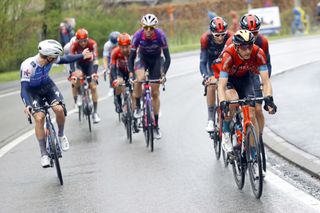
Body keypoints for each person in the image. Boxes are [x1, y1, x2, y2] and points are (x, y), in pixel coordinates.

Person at [20, 39, 92, 167]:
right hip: (32, 92)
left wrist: (82, 55)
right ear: (49, 57)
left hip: (47, 86)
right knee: (40, 118)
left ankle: (61, 135)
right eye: (55, 56)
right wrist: (28, 105)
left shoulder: (50, 59)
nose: (57, 59)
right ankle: (43, 154)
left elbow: (66, 59)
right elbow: (24, 89)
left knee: (58, 109)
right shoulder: (28, 66)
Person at [218, 30, 277, 154]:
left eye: (250, 46)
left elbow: (266, 81)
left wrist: (269, 98)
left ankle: (253, 151)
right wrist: (223, 102)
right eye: (244, 48)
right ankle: (226, 131)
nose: (248, 51)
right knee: (232, 102)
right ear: (236, 47)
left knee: (251, 113)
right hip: (230, 80)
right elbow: (221, 85)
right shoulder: (228, 55)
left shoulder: (258, 53)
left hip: (245, 79)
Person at [128, 13, 171, 139]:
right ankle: (137, 108)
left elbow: (167, 58)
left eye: (151, 28)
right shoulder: (137, 36)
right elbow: (131, 57)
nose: (148, 30)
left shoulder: (161, 36)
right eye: (145, 27)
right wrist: (131, 73)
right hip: (142, 59)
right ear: (142, 27)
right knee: (139, 79)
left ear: (155, 28)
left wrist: (163, 73)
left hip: (156, 60)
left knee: (155, 93)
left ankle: (156, 125)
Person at [238, 14, 272, 142]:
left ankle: (258, 140)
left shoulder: (263, 42)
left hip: (254, 74)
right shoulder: (234, 40)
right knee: (236, 105)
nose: (253, 34)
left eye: (255, 32)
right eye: (249, 31)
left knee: (258, 110)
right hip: (239, 75)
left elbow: (267, 64)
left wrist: (266, 81)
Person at [199, 16, 232, 132]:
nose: (221, 37)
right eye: (217, 35)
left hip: (227, 67)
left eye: (223, 34)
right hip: (212, 68)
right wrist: (206, 76)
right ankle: (211, 119)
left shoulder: (231, 37)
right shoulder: (205, 39)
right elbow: (202, 62)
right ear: (212, 33)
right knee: (211, 85)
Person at [70, 28, 101, 123]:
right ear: (77, 40)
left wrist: (94, 73)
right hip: (79, 65)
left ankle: (95, 113)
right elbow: (71, 60)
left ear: (87, 39)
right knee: (77, 78)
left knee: (93, 86)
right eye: (81, 41)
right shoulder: (74, 45)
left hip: (89, 65)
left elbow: (95, 59)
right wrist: (73, 73)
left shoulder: (92, 43)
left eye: (85, 41)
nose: (83, 43)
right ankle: (78, 98)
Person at [103, 31, 120, 97]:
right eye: (113, 43)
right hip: (111, 59)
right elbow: (105, 58)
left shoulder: (121, 42)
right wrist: (105, 68)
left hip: (120, 58)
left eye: (116, 43)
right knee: (111, 70)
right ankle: (111, 87)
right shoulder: (107, 45)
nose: (115, 45)